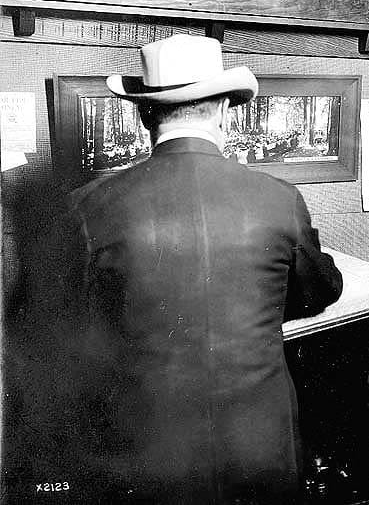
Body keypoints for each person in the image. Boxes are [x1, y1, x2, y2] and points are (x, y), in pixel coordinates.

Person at [5, 34, 343, 504]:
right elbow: (320, 292)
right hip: (260, 447)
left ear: (144, 113)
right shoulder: (279, 198)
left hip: (147, 455)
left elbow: (64, 330)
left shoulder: (86, 208)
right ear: (225, 109)